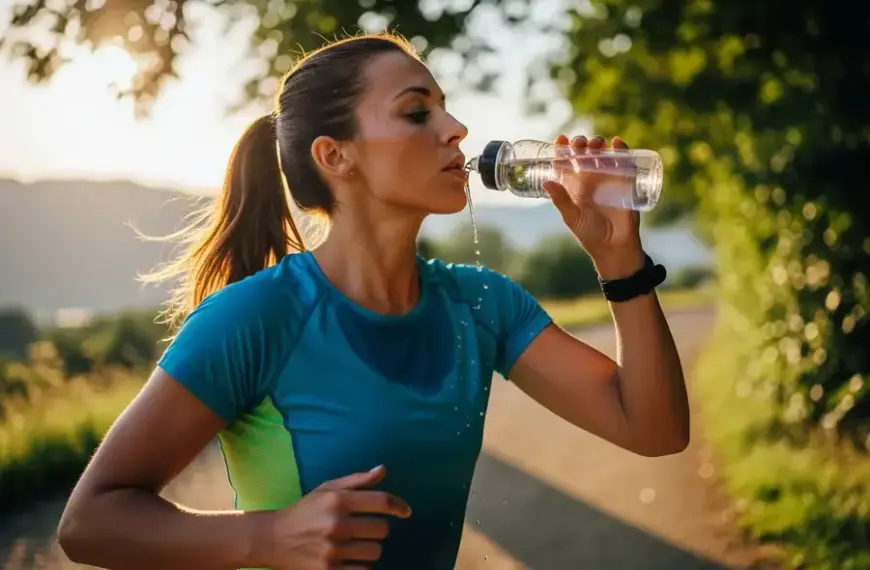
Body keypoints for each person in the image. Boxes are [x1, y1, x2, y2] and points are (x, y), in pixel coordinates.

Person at [56, 32, 689, 570]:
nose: (457, 129)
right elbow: (90, 520)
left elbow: (654, 429)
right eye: (418, 113)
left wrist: (619, 262)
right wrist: (267, 536)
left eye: (446, 108)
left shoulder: (483, 305)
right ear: (336, 157)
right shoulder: (257, 317)